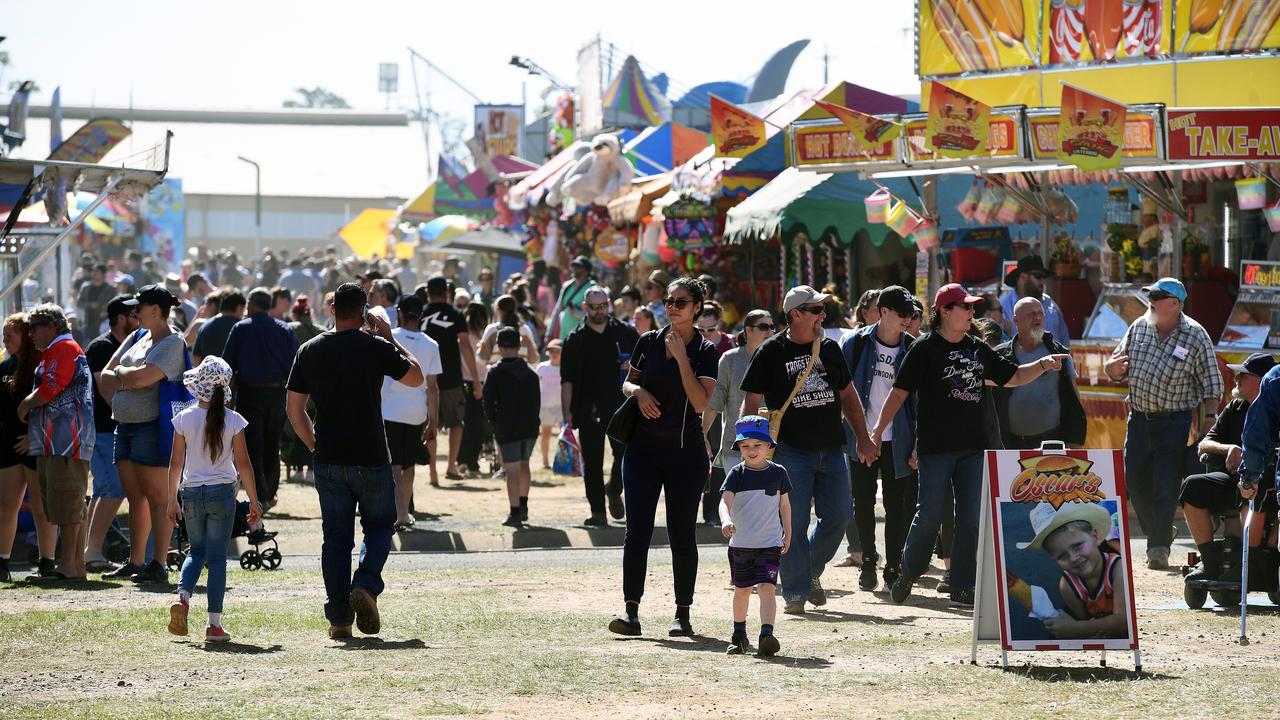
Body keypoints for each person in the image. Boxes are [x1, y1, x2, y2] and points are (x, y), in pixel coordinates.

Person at [876, 284, 1069, 607]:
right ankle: (908, 573)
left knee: (970, 519)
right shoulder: (924, 349)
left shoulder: (978, 349)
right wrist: (875, 431)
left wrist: (1043, 364)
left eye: (972, 307)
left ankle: (963, 586)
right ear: (945, 312)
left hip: (973, 449)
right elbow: (898, 394)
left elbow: (1013, 377)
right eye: (964, 307)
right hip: (935, 448)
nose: (971, 313)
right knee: (930, 514)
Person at [286, 282, 423, 639]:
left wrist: (314, 444)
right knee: (379, 525)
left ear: (332, 309)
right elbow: (416, 377)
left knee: (335, 539)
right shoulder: (375, 347)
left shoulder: (309, 350)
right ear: (363, 311)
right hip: (371, 455)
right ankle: (365, 583)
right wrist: (391, 338)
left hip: (330, 456)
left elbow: (294, 409)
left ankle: (339, 619)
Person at [740, 285, 876, 615]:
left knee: (840, 515)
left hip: (831, 449)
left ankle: (809, 570)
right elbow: (752, 401)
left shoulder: (828, 348)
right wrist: (751, 445)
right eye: (815, 310)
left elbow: (848, 395)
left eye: (822, 309)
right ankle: (797, 591)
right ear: (796, 314)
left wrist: (864, 436)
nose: (822, 315)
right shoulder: (770, 351)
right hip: (789, 451)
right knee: (794, 523)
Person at [608, 277, 718, 638]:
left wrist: (683, 358)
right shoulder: (648, 341)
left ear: (697, 308)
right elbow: (628, 381)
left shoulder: (705, 350)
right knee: (636, 531)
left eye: (681, 302)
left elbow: (701, 403)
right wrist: (637, 392)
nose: (672, 306)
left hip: (685, 453)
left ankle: (682, 614)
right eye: (670, 300)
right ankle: (631, 613)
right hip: (642, 449)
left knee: (681, 533)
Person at [1104, 277, 1222, 569]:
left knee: (1165, 485)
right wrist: (1111, 369)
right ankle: (1159, 530)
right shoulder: (1138, 327)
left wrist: (1209, 419)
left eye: (1157, 297)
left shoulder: (1195, 335)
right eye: (1150, 296)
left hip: (1176, 422)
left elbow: (1212, 383)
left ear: (1175, 304)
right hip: (1140, 420)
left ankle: (1157, 547)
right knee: (1133, 481)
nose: (1151, 302)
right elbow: (1115, 365)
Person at [165, 357, 261, 643]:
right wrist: (254, 502)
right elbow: (244, 465)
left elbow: (174, 465)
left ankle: (182, 596)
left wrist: (172, 501)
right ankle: (213, 625)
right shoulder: (234, 420)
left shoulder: (183, 419)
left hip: (191, 493)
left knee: (196, 552)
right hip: (222, 493)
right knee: (218, 559)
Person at [99, 285, 191, 584]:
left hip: (153, 427)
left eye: (138, 306)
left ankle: (159, 563)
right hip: (124, 425)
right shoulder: (137, 336)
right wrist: (131, 376)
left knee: (158, 497)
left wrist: (127, 375)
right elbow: (106, 373)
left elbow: (140, 377)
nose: (133, 312)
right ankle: (136, 561)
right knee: (135, 497)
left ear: (155, 310)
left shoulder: (172, 342)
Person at [839, 286, 918, 591]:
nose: (908, 320)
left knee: (897, 506)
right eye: (902, 314)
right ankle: (869, 560)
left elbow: (920, 400)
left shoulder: (912, 348)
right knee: (862, 501)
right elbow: (842, 393)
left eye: (911, 314)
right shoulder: (855, 344)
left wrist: (917, 443)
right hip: (860, 437)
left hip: (898, 439)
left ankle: (894, 564)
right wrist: (861, 435)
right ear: (883, 311)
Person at [1183, 353, 1277, 584]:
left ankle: (1250, 563)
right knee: (1192, 486)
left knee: (1256, 482)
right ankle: (1210, 561)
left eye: (1243, 374)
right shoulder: (1235, 407)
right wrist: (1229, 449)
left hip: (1267, 482)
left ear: (1261, 380)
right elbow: (1204, 444)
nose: (1237, 378)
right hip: (1233, 479)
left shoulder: (1273, 407)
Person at [17, 305, 95, 581]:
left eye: (35, 326)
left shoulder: (64, 348)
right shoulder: (56, 350)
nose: (31, 333)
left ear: (51, 325)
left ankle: (70, 567)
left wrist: (25, 405)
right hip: (58, 441)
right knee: (66, 504)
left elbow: (52, 385)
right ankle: (73, 565)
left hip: (67, 441)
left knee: (69, 502)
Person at [560, 286, 640, 525]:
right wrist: (567, 415)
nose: (599, 311)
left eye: (603, 305)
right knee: (592, 462)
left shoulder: (625, 332)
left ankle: (614, 490)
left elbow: (645, 365)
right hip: (587, 409)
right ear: (585, 308)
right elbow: (567, 380)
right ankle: (597, 512)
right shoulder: (575, 339)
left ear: (609, 304)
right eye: (594, 306)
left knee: (626, 456)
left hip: (622, 406)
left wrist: (633, 370)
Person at [719, 415, 791, 657]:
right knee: (742, 590)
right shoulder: (736, 474)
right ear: (739, 447)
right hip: (741, 544)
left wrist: (788, 533)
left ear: (769, 446)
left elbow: (785, 506)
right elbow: (724, 501)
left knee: (767, 587)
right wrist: (726, 520)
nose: (751, 450)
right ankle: (739, 635)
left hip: (770, 543)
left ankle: (766, 635)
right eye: (745, 445)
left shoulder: (779, 473)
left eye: (757, 445)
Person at [222, 288, 299, 514]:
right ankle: (269, 491)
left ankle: (261, 492)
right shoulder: (284, 330)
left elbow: (227, 364)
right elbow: (295, 363)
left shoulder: (240, 328)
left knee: (252, 444)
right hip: (277, 394)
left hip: (249, 392)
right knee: (272, 442)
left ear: (252, 305)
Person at [83, 295, 139, 573]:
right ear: (121, 317)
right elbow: (105, 390)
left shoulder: (126, 345)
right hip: (105, 429)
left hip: (116, 428)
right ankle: (90, 551)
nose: (138, 317)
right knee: (113, 489)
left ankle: (88, 550)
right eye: (133, 313)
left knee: (104, 491)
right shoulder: (102, 346)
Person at [704, 309, 774, 527]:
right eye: (764, 327)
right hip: (735, 447)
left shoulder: (778, 359)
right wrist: (702, 434)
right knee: (744, 506)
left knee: (765, 509)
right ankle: (744, 555)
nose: (770, 331)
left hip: (774, 446)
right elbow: (715, 402)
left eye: (772, 327)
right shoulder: (730, 359)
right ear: (748, 330)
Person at [1016, 502, 1127, 639]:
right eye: (1062, 556)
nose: (1073, 558)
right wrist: (1071, 624)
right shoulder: (1068, 585)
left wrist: (1074, 628)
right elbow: (1085, 623)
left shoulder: (1119, 568)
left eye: (1078, 546)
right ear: (1054, 558)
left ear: (1095, 537)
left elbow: (1123, 620)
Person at [0, 314, 57, 580]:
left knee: (40, 505)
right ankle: (3, 561)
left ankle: (47, 560)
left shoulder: (42, 366)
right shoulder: (5, 367)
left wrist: (34, 437)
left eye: (9, 335)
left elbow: (51, 406)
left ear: (25, 336)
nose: (4, 340)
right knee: (6, 504)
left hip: (36, 444)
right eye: (3, 335)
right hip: (8, 444)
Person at [380, 295, 442, 528]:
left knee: (394, 464)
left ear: (400, 313)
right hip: (417, 412)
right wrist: (433, 421)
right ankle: (405, 511)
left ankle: (399, 513)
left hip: (389, 410)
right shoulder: (431, 344)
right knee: (408, 465)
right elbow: (433, 388)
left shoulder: (388, 339)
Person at [994, 297, 1086, 449]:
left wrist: (1075, 440)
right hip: (1010, 443)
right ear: (1016, 320)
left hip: (1053, 440)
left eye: (1040, 313)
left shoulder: (1059, 353)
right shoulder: (1001, 355)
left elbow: (1073, 397)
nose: (1037, 318)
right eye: (1030, 314)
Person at [423, 275, 482, 481]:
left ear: (428, 293)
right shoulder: (456, 314)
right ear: (447, 292)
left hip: (424, 377)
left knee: (430, 424)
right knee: (456, 422)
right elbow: (465, 346)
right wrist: (475, 380)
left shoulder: (419, 314)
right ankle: (450, 466)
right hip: (452, 377)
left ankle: (432, 472)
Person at [484, 328, 541, 528]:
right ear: (519, 346)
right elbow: (537, 403)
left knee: (512, 470)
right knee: (525, 464)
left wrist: (495, 423)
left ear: (499, 348)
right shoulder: (531, 374)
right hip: (530, 427)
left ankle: (514, 511)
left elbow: (488, 403)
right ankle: (523, 504)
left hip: (507, 427)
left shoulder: (495, 372)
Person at [999, 256, 1071, 348]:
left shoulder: (1052, 306)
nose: (1042, 281)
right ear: (1023, 277)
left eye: (1044, 277)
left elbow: (1065, 344)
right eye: (1038, 276)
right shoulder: (1003, 306)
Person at [478, 295, 539, 366]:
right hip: (519, 375)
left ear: (497, 310)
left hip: (497, 374)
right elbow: (533, 360)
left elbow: (482, 359)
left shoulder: (492, 330)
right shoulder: (525, 330)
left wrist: (480, 347)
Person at [547, 255, 595, 342]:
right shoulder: (567, 286)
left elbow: (596, 315)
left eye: (578, 267)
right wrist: (549, 333)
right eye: (574, 266)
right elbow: (557, 310)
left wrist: (578, 313)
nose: (574, 269)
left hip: (582, 338)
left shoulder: (593, 288)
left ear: (586, 271)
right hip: (564, 336)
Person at [192, 291, 246, 365]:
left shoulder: (205, 326)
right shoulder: (242, 327)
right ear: (239, 307)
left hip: (206, 375)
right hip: (231, 375)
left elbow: (196, 358)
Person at [536, 340, 563, 470]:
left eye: (557, 351)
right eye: (551, 351)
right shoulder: (542, 367)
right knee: (545, 434)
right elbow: (535, 386)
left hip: (562, 406)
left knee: (566, 434)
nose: (554, 354)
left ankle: (567, 460)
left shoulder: (565, 368)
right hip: (545, 406)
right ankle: (545, 462)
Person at [77, 264, 114, 337]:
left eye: (97, 272)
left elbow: (114, 304)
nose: (94, 274)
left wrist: (106, 309)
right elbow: (79, 303)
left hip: (105, 324)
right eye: (93, 271)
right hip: (88, 323)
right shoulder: (86, 287)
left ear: (104, 274)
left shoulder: (110, 289)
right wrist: (91, 305)